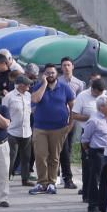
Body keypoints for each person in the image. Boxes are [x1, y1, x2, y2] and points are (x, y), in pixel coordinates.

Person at [29, 64, 75, 195]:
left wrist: (70, 125)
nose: (50, 75)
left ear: (57, 74)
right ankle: (42, 182)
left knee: (54, 157)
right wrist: (44, 84)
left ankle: (51, 183)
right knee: (40, 155)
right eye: (47, 73)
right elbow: (36, 99)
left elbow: (73, 107)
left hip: (59, 128)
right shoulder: (38, 86)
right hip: (40, 127)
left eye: (52, 73)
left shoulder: (65, 88)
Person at [82, 95, 107, 212]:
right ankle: (92, 205)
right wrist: (89, 151)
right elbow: (85, 139)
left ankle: (104, 204)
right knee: (95, 180)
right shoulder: (94, 120)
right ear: (101, 107)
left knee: (106, 179)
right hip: (97, 152)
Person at [57, 57, 84, 189]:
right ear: (61, 68)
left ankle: (66, 174)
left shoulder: (79, 83)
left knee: (69, 146)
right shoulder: (58, 82)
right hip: (59, 118)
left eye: (68, 65)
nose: (66, 67)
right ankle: (59, 175)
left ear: (72, 66)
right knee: (60, 147)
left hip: (72, 118)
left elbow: (79, 101)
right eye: (64, 65)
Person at [3, 75, 33, 185]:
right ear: (20, 85)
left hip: (26, 131)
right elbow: (4, 112)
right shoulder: (9, 97)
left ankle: (25, 179)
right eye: (27, 84)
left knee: (26, 157)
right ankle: (6, 178)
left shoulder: (28, 95)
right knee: (11, 157)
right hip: (13, 131)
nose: (29, 86)